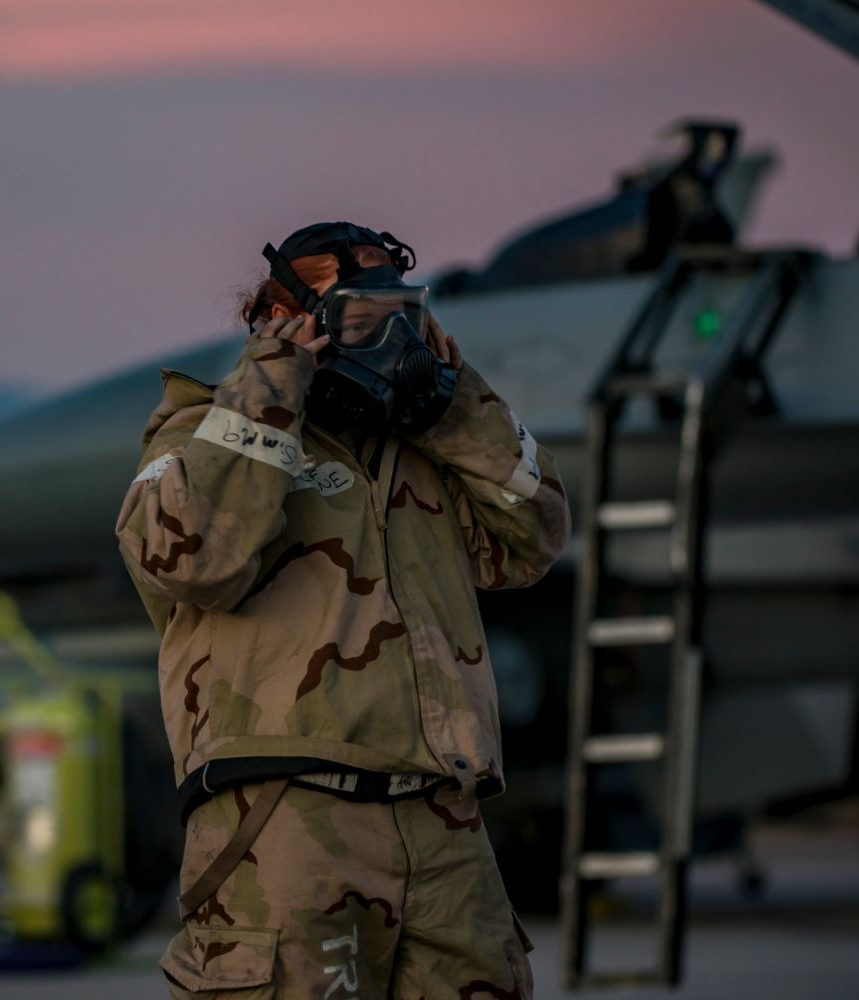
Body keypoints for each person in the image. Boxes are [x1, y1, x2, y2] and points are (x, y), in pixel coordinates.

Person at [115, 221, 570, 998]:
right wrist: (269, 392)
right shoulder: (199, 435)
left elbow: (533, 536)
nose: (391, 340)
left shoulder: (424, 455)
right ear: (284, 321)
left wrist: (452, 407)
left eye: (407, 317)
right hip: (287, 822)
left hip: (440, 823)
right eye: (362, 321)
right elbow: (189, 558)